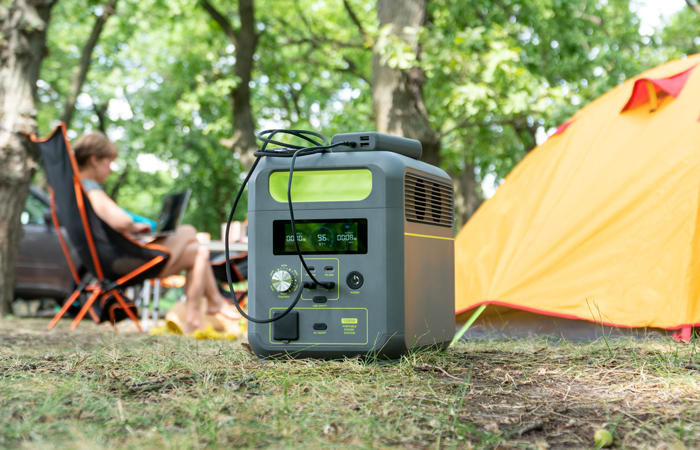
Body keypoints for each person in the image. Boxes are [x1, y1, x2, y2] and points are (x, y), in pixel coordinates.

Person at [73, 131, 241, 333]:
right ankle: (215, 302)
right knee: (188, 230)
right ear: (94, 160)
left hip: (109, 259)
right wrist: (133, 227)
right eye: (109, 162)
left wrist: (134, 232)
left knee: (198, 251)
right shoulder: (89, 187)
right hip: (121, 263)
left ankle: (194, 317)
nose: (110, 170)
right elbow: (121, 221)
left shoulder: (74, 189)